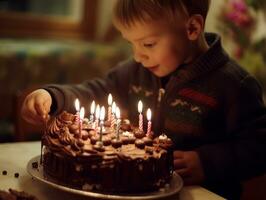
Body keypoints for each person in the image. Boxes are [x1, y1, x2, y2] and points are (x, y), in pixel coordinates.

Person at [21, 0, 266, 199]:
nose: (138, 56)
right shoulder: (136, 72)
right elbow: (96, 91)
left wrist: (209, 162)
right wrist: (53, 97)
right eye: (131, 43)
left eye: (148, 43)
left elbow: (259, 147)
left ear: (192, 29)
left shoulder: (234, 86)